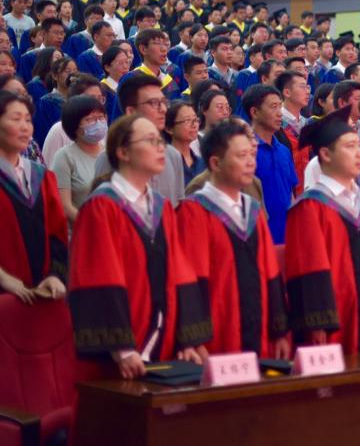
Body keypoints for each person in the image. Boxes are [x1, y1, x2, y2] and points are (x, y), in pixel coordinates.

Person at [69, 114, 210, 379]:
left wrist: (187, 339)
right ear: (123, 152)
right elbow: (99, 276)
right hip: (123, 354)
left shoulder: (161, 206)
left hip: (165, 341)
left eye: (160, 141)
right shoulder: (101, 206)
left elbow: (179, 270)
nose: (160, 148)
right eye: (150, 141)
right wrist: (121, 348)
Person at [176, 120, 289, 358]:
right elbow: (190, 279)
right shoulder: (194, 211)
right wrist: (194, 339)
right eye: (241, 156)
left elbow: (270, 271)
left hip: (258, 332)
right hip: (217, 337)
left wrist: (279, 331)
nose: (250, 162)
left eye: (251, 154)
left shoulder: (253, 210)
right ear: (215, 163)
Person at [285, 108, 360, 352]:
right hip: (330, 328)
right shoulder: (310, 207)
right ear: (325, 154)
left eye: (358, 145)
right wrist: (316, 327)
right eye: (350, 146)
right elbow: (308, 270)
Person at [0, 91, 67, 304]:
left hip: (40, 294)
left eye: (28, 120)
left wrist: (55, 275)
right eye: (15, 119)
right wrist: (3, 278)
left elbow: (57, 233)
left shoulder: (41, 176)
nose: (24, 127)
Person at [94, 73, 186, 205]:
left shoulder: (173, 155)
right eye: (154, 103)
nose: (163, 109)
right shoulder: (110, 157)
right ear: (131, 111)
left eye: (164, 102)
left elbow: (178, 207)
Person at [243, 85, 297, 244]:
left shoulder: (284, 150)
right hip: (257, 239)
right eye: (273, 107)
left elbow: (290, 193)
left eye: (280, 106)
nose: (280, 113)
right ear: (254, 112)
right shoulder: (244, 151)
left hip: (287, 237)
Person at [51, 95, 106, 226]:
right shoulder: (64, 157)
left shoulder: (111, 153)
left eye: (101, 117)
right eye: (90, 120)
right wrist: (92, 226)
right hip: (81, 230)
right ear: (74, 126)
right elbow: (65, 206)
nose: (98, 123)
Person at [165, 101, 206, 188]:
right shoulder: (164, 162)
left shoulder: (202, 163)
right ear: (169, 129)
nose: (194, 125)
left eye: (195, 120)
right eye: (187, 121)